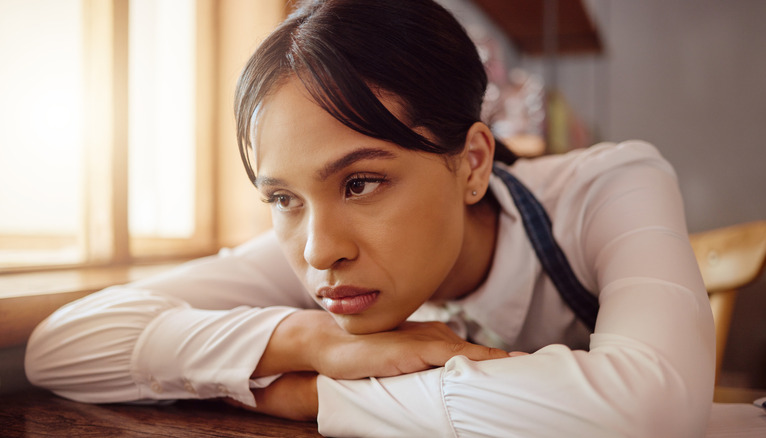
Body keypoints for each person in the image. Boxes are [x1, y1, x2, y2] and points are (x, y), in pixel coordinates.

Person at [25, 0, 715, 436]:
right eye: (281, 198)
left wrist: (314, 398)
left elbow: (651, 409)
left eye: (360, 183)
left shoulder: (608, 187)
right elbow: (61, 346)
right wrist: (309, 343)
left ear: (473, 162)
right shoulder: (316, 255)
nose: (320, 250)